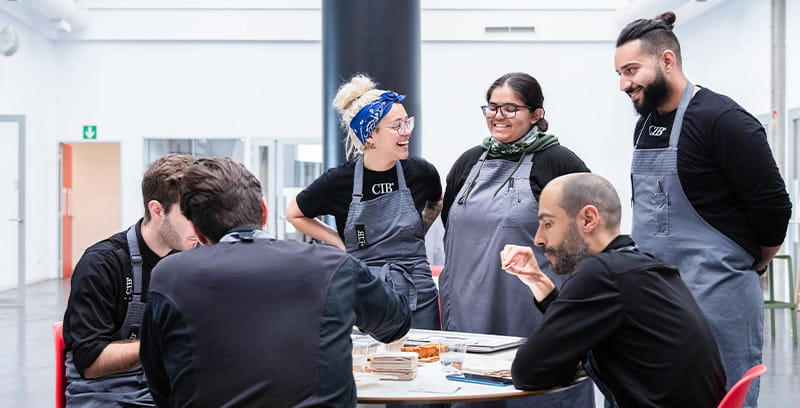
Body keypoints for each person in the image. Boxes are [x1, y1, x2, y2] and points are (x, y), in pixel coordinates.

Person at [615, 12, 792, 406]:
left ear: (666, 61)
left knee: (719, 395)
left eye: (631, 70)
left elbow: (774, 208)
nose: (625, 84)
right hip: (656, 298)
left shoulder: (722, 120)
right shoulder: (645, 125)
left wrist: (752, 264)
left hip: (717, 298)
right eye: (619, 74)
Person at [139, 157, 411, 407]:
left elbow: (160, 383)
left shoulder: (170, 277)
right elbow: (396, 323)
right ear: (264, 211)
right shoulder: (331, 266)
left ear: (197, 230)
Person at [501, 173, 727, 407]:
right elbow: (575, 333)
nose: (538, 239)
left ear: (588, 219)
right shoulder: (636, 266)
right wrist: (538, 280)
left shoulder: (599, 273)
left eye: (548, 224)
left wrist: (560, 363)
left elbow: (529, 371)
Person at [440, 72, 593, 408]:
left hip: (532, 306)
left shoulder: (559, 162)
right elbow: (449, 223)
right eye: (492, 107)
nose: (498, 116)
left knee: (533, 392)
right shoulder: (468, 163)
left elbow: (589, 233)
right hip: (469, 309)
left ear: (536, 114)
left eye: (510, 108)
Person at [286, 74, 442, 329]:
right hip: (366, 292)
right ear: (370, 135)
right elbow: (294, 213)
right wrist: (339, 243)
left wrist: (417, 231)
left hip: (418, 289)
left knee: (426, 360)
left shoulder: (421, 172)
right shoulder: (339, 181)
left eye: (407, 122)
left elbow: (436, 202)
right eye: (397, 126)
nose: (407, 131)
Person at [62, 153, 197, 407]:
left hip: (167, 390)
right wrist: (161, 343)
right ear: (157, 210)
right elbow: (89, 362)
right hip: (105, 394)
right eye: (189, 215)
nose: (199, 225)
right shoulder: (102, 264)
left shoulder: (194, 260)